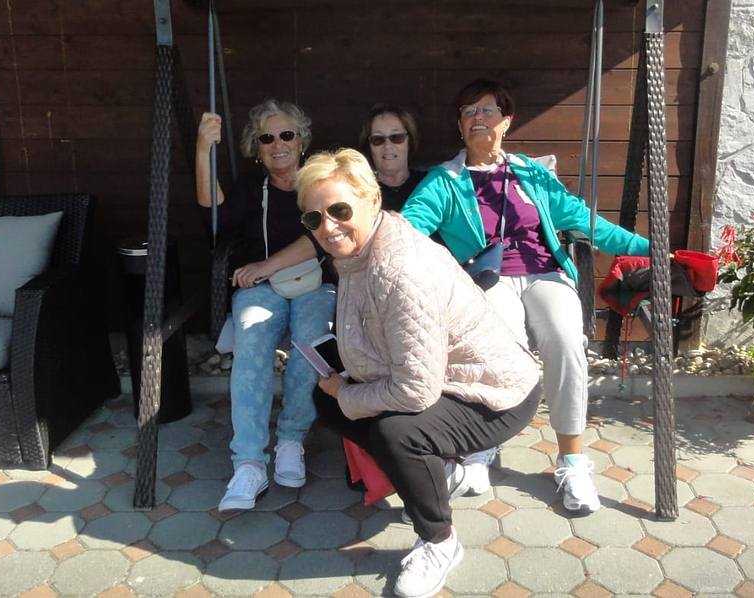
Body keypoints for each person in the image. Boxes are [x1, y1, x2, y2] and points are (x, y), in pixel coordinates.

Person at [296, 149, 541, 598]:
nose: (328, 227)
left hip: (496, 393)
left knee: (396, 433)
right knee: (326, 400)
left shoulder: (399, 268)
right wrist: (343, 385)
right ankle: (437, 473)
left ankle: (439, 541)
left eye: (339, 211)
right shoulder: (359, 250)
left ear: (372, 200)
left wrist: (349, 393)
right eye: (314, 218)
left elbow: (414, 390)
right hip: (443, 376)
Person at [401, 79, 650, 515]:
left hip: (545, 273)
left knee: (566, 340)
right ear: (459, 126)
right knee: (499, 347)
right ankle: (480, 447)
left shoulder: (532, 175)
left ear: (506, 121)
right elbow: (410, 228)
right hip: (488, 279)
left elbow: (586, 221)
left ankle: (572, 460)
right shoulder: (446, 181)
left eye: (487, 110)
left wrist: (651, 249)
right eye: (468, 112)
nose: (478, 118)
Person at [195, 99, 336, 511]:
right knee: (252, 344)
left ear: (302, 140)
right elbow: (214, 214)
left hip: (313, 282)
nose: (278, 144)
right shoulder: (250, 188)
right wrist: (203, 148)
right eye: (267, 138)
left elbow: (321, 237)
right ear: (257, 148)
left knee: (310, 342)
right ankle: (249, 462)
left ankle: (291, 439)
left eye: (286, 135)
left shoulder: (319, 183)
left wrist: (265, 266)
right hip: (261, 289)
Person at [358, 103, 426, 211]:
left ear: (410, 142)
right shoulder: (360, 191)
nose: (387, 146)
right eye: (378, 139)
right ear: (369, 146)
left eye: (396, 137)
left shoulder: (428, 184)